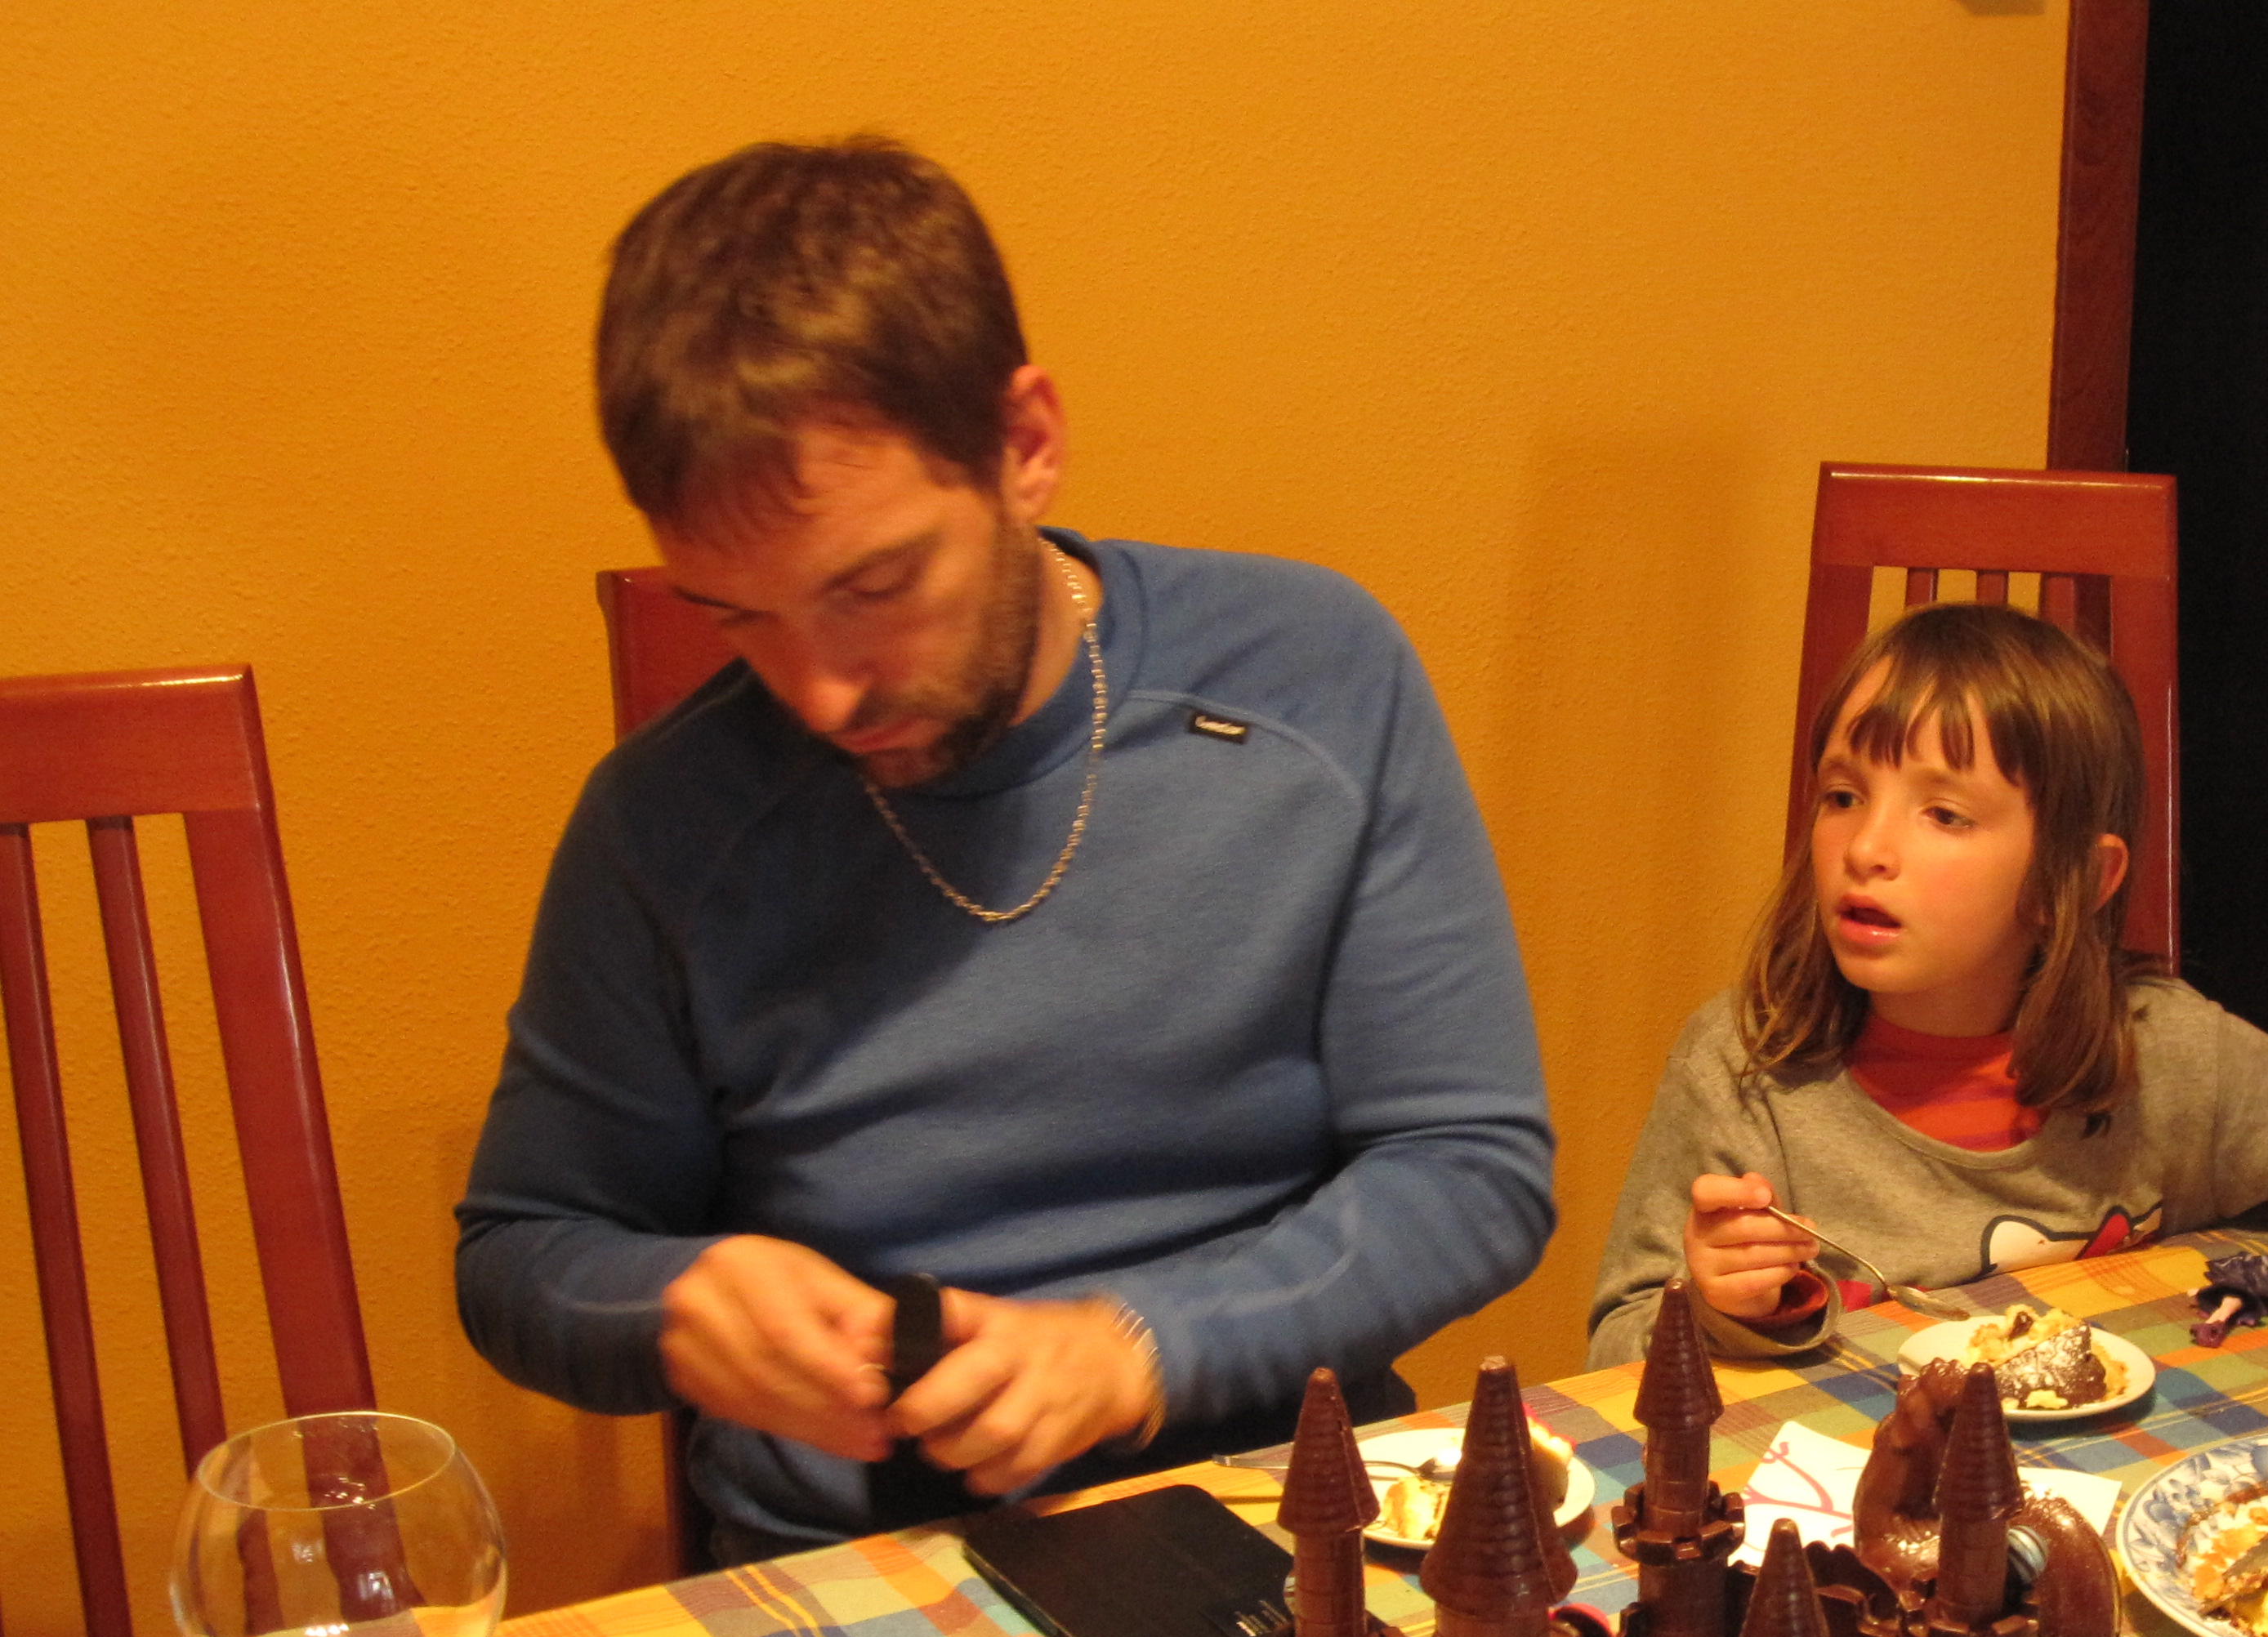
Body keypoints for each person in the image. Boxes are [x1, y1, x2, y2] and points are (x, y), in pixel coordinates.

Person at [458, 137, 1553, 1559]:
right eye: (738, 618)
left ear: (1024, 445)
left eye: (875, 586)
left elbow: (1469, 1165)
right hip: (852, 1563)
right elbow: (523, 1254)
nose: (820, 694)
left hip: (1277, 1506)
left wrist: (1140, 1347)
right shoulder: (663, 822)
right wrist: (670, 1306)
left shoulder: (1312, 675)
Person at [1586, 602, 2268, 1368]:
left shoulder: (2166, 1054)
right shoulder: (1745, 1069)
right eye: (1843, 796)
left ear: (2074, 882)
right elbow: (1615, 1350)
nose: (1866, 849)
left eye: (1944, 814)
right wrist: (1717, 1309)